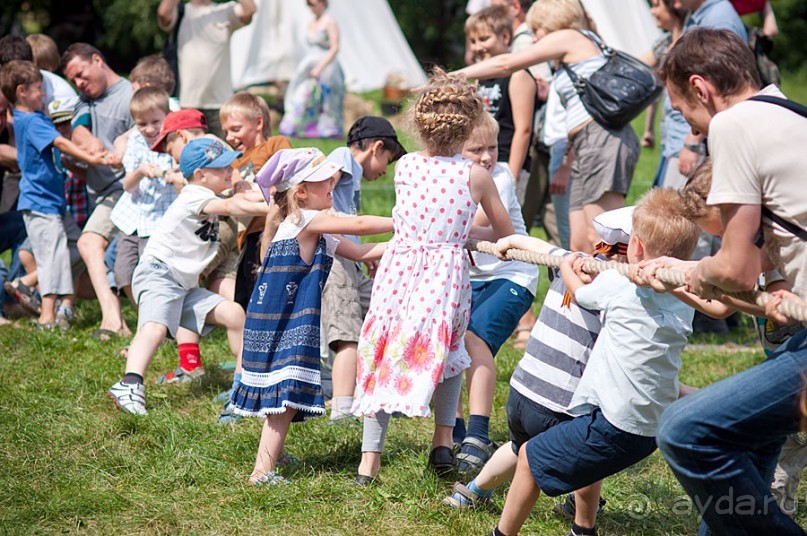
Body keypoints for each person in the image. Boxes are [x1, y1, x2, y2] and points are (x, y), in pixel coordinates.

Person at [652, 27, 807, 535]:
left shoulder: (734, 124)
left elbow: (734, 268)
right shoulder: (792, 113)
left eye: (683, 114)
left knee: (685, 430)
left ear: (702, 88)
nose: (693, 131)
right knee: (746, 435)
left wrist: (692, 270)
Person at [488, 187, 699, 536]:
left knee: (529, 458)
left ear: (635, 248)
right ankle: (582, 530)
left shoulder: (619, 285)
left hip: (618, 425)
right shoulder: (686, 297)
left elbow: (582, 292)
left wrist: (570, 265)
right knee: (579, 455)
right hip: (651, 428)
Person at [351, 69, 515, 484]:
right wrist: (462, 233)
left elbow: (417, 219)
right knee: (448, 352)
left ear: (421, 125)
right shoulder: (476, 176)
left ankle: (369, 461)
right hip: (444, 277)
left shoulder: (406, 166)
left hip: (400, 271)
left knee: (384, 349)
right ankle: (442, 443)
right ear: (469, 126)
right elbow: (503, 231)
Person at [446, 207, 631, 520]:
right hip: (560, 402)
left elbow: (542, 247)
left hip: (522, 392)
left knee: (520, 446)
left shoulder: (572, 261)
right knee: (589, 450)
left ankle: (473, 491)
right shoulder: (620, 289)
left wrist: (511, 241)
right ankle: (582, 511)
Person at [230, 147, 391, 485]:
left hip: (284, 318)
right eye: (325, 182)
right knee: (284, 398)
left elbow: (361, 250)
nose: (333, 183)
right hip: (281, 322)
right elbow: (359, 224)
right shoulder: (305, 220)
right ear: (301, 192)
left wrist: (412, 242)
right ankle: (262, 470)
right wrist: (405, 220)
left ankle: (272, 452)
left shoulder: (313, 228)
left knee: (283, 394)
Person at [455, 0, 640, 254]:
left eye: (537, 30)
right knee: (579, 242)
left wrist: (451, 76)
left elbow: (506, 64)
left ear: (553, 23)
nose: (533, 37)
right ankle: (581, 293)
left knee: (601, 236)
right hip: (582, 144)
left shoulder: (569, 37)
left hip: (601, 143)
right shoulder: (570, 51)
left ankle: (614, 288)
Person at [107, 138, 269, 415]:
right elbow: (234, 207)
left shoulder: (211, 194)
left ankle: (242, 388)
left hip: (182, 286)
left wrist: (268, 196)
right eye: (223, 168)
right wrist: (279, 210)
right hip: (159, 274)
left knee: (235, 315)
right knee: (154, 329)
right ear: (201, 175)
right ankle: (129, 383)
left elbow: (243, 199)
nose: (232, 170)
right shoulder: (194, 194)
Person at [452, 112, 539, 476]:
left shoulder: (497, 177)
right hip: (470, 277)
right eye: (477, 149)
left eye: (494, 147)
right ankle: (452, 431)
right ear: (455, 148)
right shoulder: (449, 175)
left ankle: (477, 433)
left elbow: (484, 225)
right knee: (450, 345)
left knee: (474, 341)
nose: (488, 156)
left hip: (512, 274)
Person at [0, 60, 115, 329]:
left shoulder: (34, 116)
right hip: (40, 203)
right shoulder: (30, 120)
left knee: (75, 248)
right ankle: (47, 317)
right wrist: (92, 159)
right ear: (22, 91)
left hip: (54, 203)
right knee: (52, 255)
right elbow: (61, 142)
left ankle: (25, 283)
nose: (44, 93)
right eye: (39, 88)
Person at [321, 116, 406, 423]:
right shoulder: (342, 158)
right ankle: (342, 410)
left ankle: (382, 393)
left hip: (351, 258)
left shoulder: (353, 174)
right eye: (387, 159)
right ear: (376, 147)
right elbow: (320, 195)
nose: (385, 168)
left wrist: (362, 254)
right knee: (347, 331)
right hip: (335, 260)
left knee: (383, 313)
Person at [61, 43, 133, 340]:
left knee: (89, 244)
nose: (79, 83)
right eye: (73, 80)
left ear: (97, 60)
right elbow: (77, 129)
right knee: (95, 266)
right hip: (100, 193)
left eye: (80, 73)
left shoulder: (130, 96)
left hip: (124, 190)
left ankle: (113, 321)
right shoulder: (83, 101)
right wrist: (87, 142)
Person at [219, 91, 292, 311]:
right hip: (248, 237)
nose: (229, 137)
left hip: (276, 230)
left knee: (275, 292)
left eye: (235, 129)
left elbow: (289, 171)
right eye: (226, 132)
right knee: (247, 298)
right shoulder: (232, 163)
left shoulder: (275, 145)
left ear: (258, 122)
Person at [110, 87, 178, 308]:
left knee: (153, 273)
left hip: (159, 219)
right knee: (123, 273)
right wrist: (140, 171)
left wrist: (172, 175)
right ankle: (143, 311)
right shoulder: (136, 142)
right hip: (133, 218)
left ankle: (158, 314)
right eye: (141, 124)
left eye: (155, 121)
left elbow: (181, 177)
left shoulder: (173, 141)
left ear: (166, 117)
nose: (149, 129)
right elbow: (127, 185)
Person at [156, 0, 256, 138]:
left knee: (225, 154)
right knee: (190, 153)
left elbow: (249, 9)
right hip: (187, 102)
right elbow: (163, 13)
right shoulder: (181, 11)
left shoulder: (225, 10)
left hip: (221, 103)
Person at [465, 6, 536, 187]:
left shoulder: (518, 76)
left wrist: (513, 173)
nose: (477, 47)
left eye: (484, 39)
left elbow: (524, 129)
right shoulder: (480, 78)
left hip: (505, 160)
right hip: (482, 160)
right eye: (472, 41)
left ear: (505, 37)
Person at [278, 0, 345, 139]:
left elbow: (335, 47)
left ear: (322, 3)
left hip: (327, 67)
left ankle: (328, 131)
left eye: (312, 4)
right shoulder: (311, 22)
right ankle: (296, 128)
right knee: (301, 95)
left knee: (328, 102)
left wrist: (320, 67)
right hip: (310, 65)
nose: (310, 7)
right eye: (308, 4)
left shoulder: (330, 21)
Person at [639, 0, 688, 189]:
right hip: (669, 138)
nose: (652, 11)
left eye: (657, 5)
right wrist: (648, 129)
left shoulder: (691, 43)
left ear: (674, 6)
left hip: (685, 140)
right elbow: (637, 68)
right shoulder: (664, 43)